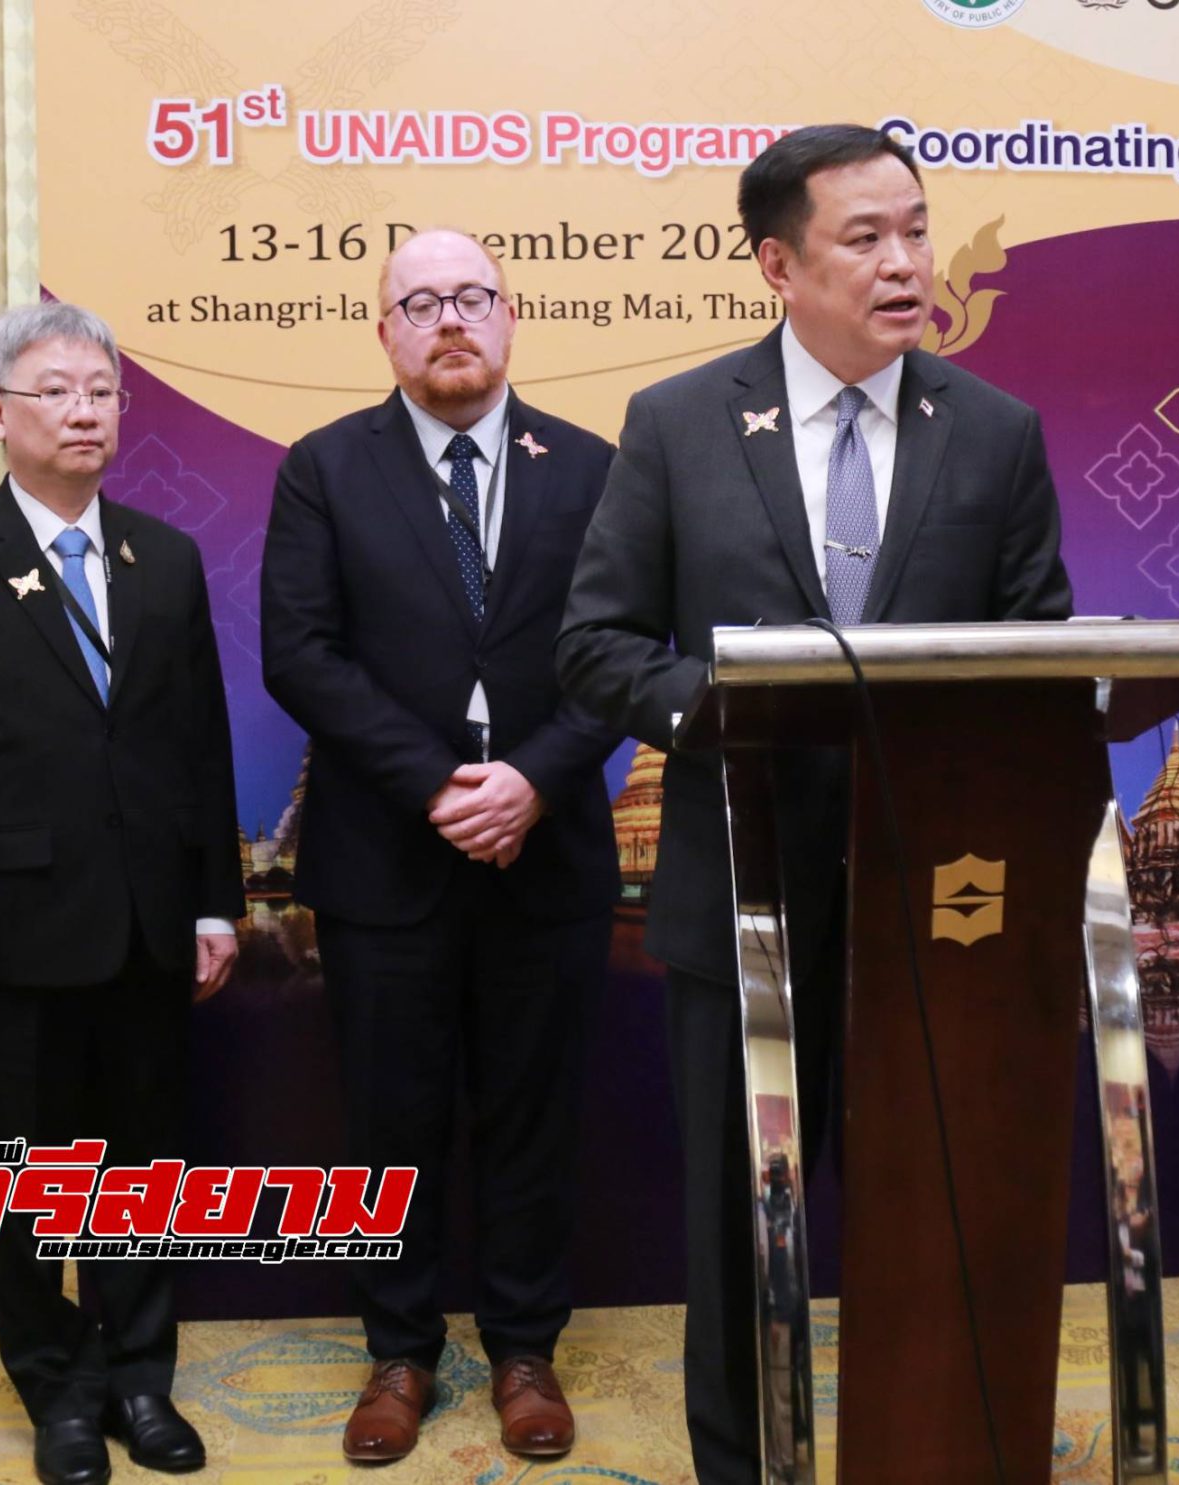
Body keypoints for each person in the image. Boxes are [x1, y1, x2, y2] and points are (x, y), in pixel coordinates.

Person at [556, 124, 1074, 1483]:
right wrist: (714, 716)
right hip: (741, 892)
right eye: (868, 238)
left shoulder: (998, 431)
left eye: (916, 228)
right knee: (742, 1227)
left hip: (940, 915)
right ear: (780, 263)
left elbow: (1041, 650)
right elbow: (597, 641)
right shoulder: (679, 424)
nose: (907, 261)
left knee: (928, 1211)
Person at [261, 229, 621, 1463]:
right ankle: (399, 1354)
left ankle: (525, 1349)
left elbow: (623, 654)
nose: (449, 319)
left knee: (533, 1111)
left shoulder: (593, 468)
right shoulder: (324, 467)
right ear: (385, 332)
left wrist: (529, 780)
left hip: (548, 849)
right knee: (390, 1119)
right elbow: (299, 652)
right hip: (386, 863)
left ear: (511, 317)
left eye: (472, 297)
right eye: (420, 302)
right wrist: (438, 787)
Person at [0, 302, 245, 1485]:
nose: (86, 410)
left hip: (148, 921)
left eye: (101, 391)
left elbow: (200, 746)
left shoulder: (165, 556)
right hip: (15, 930)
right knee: (34, 1175)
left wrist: (212, 902)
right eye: (57, 391)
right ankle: (58, 1391)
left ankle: (142, 1378)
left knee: (144, 1167)